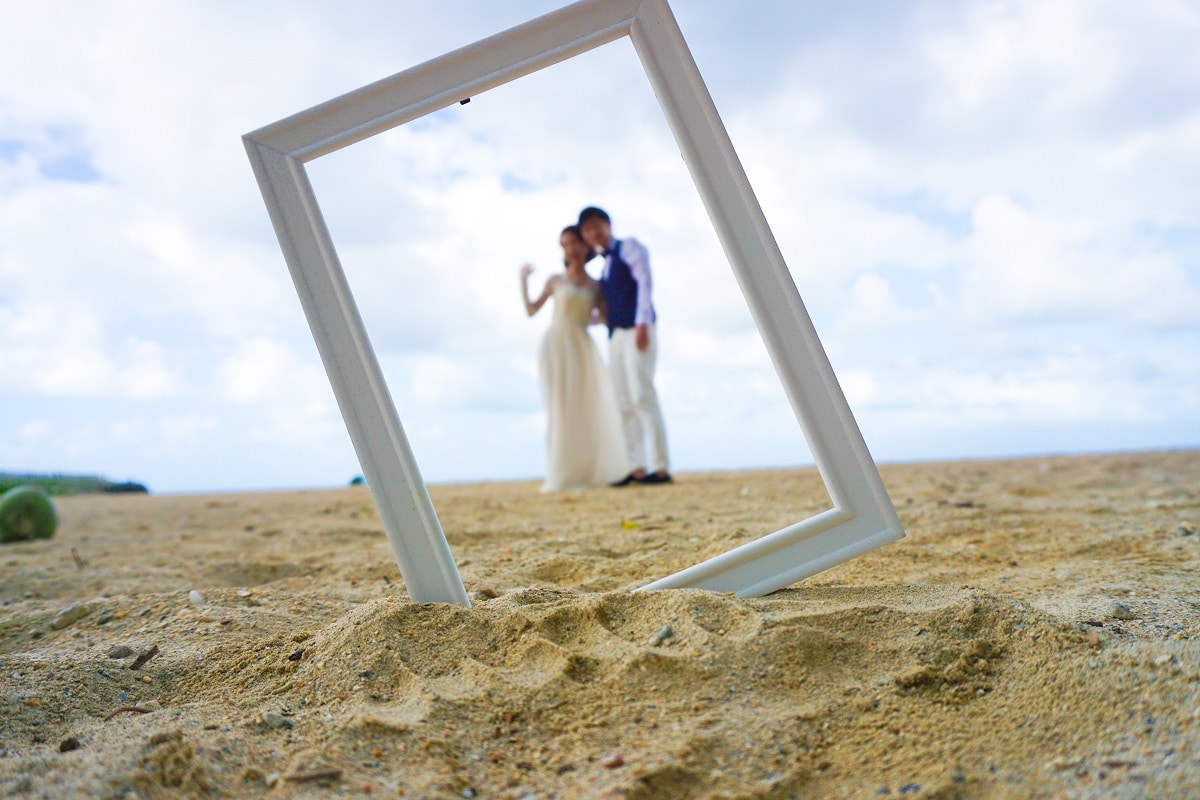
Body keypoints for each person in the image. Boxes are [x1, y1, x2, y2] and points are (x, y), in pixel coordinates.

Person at [520, 225, 630, 491]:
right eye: (566, 244)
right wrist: (523, 281)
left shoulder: (596, 285)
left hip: (582, 347)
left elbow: (605, 318)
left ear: (586, 247)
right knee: (560, 406)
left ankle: (591, 469)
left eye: (576, 243)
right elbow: (532, 310)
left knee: (587, 406)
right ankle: (563, 471)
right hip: (556, 344)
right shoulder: (555, 280)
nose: (572, 249)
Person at [577, 206, 671, 486]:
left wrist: (642, 323)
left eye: (597, 225)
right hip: (615, 334)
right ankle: (636, 466)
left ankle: (661, 466)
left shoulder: (629, 247)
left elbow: (644, 282)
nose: (593, 232)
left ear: (607, 224)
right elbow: (609, 303)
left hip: (637, 329)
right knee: (623, 401)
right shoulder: (602, 263)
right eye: (587, 229)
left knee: (642, 394)